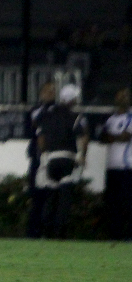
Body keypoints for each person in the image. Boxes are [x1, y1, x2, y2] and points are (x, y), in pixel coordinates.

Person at [35, 83, 89, 239]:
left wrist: (43, 155)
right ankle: (60, 231)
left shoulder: (47, 115)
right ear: (72, 100)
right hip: (67, 159)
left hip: (51, 159)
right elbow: (83, 137)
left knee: (51, 195)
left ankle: (46, 231)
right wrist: (82, 155)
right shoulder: (75, 117)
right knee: (64, 197)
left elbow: (41, 138)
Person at [98, 87, 132, 240]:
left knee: (127, 203)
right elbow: (102, 138)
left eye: (126, 96)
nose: (123, 98)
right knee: (112, 203)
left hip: (127, 167)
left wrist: (111, 137)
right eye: (121, 95)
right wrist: (112, 137)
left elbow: (125, 137)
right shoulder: (110, 119)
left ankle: (127, 236)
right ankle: (114, 235)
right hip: (111, 167)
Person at [26, 80, 56, 238]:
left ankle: (49, 231)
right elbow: (32, 129)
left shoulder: (59, 111)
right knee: (36, 196)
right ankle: (34, 231)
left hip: (54, 158)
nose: (50, 94)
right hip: (38, 160)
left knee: (52, 196)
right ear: (41, 94)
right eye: (47, 91)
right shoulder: (36, 111)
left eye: (52, 91)